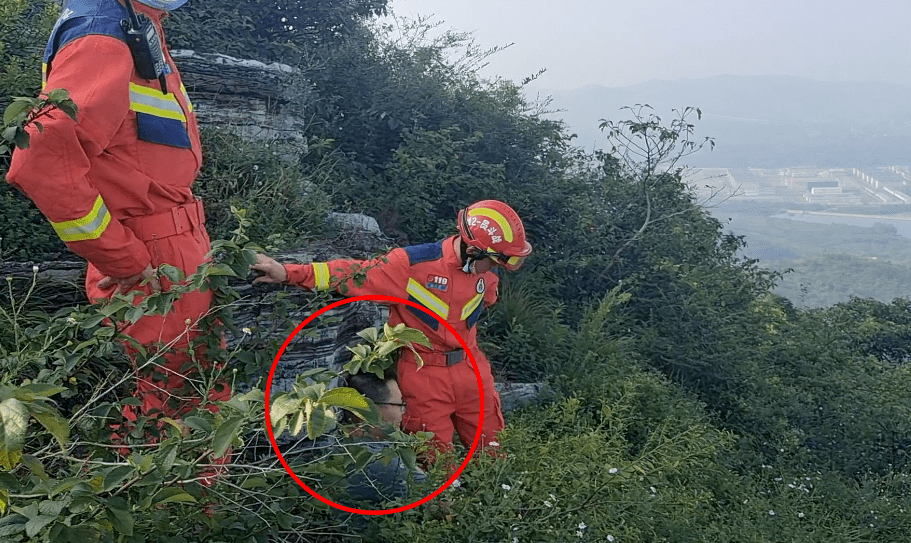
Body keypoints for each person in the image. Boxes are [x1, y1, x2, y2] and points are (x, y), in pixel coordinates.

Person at [5, 0, 229, 473]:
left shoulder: (138, 25)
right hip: (153, 259)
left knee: (195, 408)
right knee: (166, 422)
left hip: (177, 250)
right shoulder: (104, 32)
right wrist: (125, 260)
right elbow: (41, 161)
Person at [252, 200, 532, 455]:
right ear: (472, 249)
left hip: (472, 371)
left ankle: (498, 508)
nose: (495, 268)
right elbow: (352, 274)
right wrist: (289, 273)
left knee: (496, 453)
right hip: (425, 375)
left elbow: (486, 299)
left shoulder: (485, 275)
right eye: (493, 261)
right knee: (434, 464)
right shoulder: (411, 264)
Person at [337, 371, 425, 503]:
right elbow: (441, 499)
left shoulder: (337, 443)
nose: (403, 413)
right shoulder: (384, 463)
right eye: (399, 405)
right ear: (370, 409)